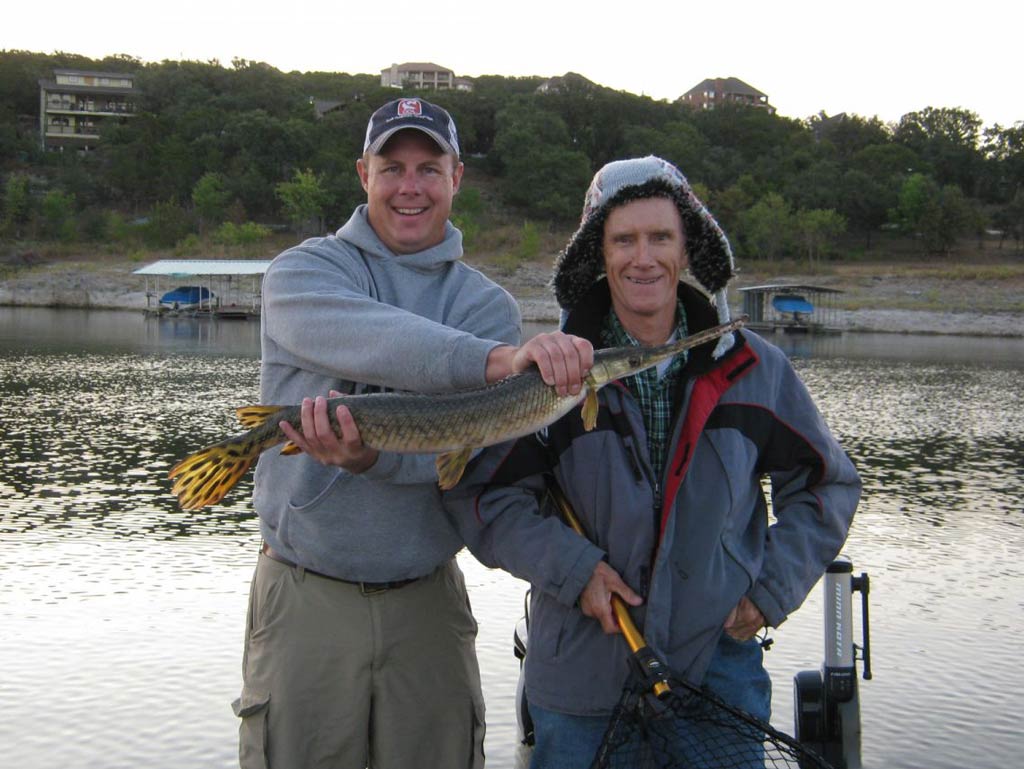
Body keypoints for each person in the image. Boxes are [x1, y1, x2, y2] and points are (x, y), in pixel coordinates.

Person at [444, 156, 862, 768]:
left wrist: (768, 590)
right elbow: (482, 497)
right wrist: (573, 569)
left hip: (718, 677)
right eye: (624, 239)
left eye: (660, 237)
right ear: (600, 253)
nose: (644, 258)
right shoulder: (551, 375)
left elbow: (827, 486)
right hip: (579, 690)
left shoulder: (757, 370)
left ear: (686, 248)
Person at [232, 96, 593, 769]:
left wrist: (375, 462)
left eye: (429, 167)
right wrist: (487, 363)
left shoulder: (485, 305)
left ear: (457, 178)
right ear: (362, 173)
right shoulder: (304, 274)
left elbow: (471, 455)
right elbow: (370, 338)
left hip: (426, 599)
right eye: (391, 166)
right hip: (305, 594)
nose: (409, 186)